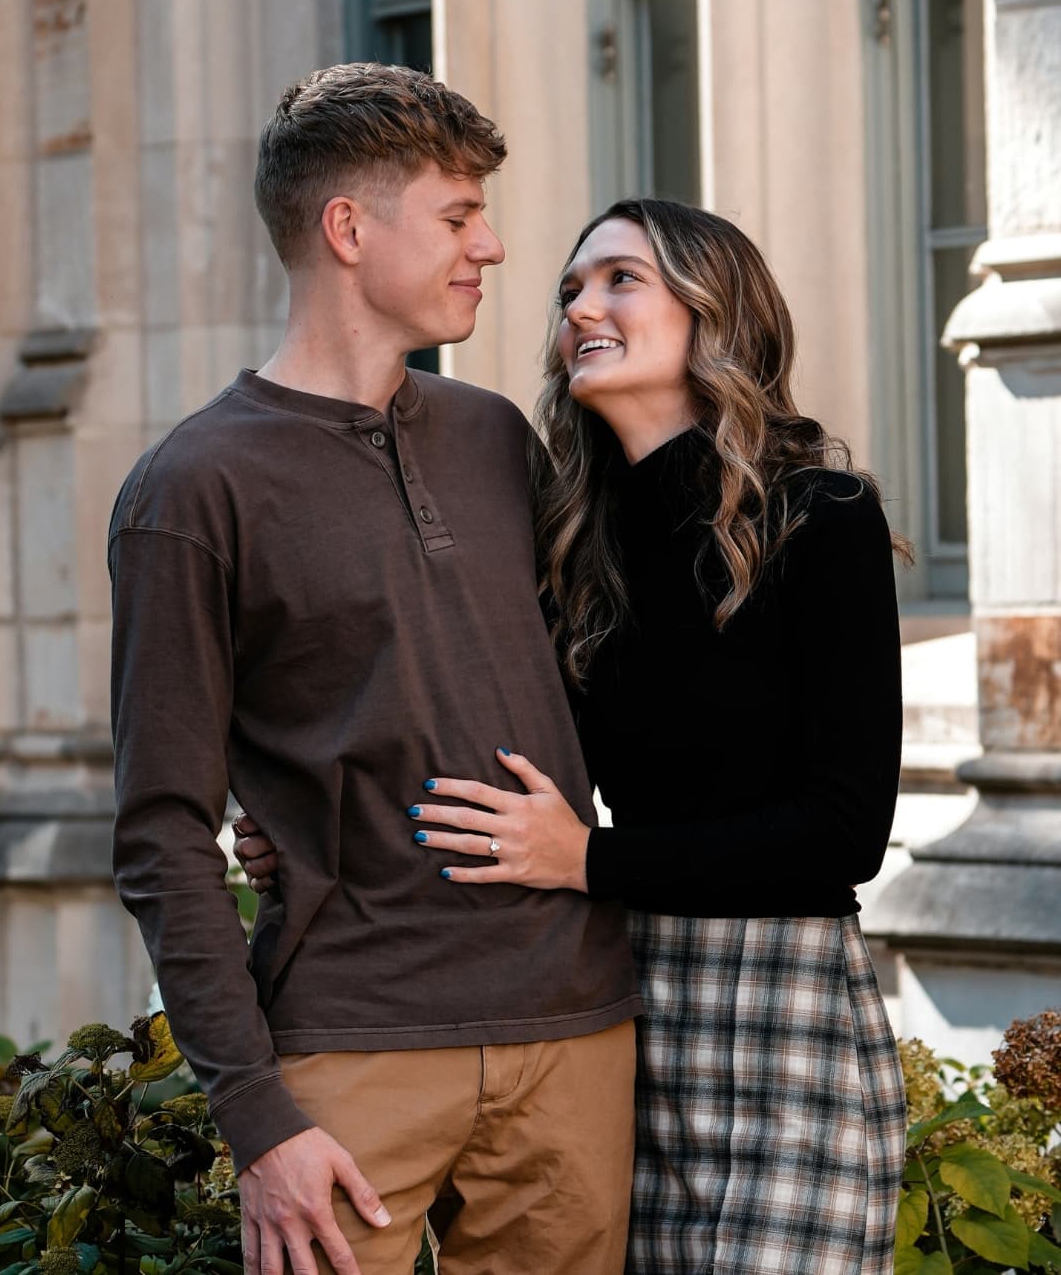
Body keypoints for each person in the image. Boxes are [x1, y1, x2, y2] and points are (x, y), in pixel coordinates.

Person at [241, 198, 908, 1273]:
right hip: (605, 1007)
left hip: (778, 1008)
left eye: (620, 280)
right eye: (568, 292)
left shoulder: (821, 518)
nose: (580, 309)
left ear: (712, 308)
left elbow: (843, 835)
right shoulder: (564, 545)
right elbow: (460, 731)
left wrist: (586, 856)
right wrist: (299, 816)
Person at [108, 63, 641, 1275]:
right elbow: (159, 832)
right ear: (349, 228)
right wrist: (259, 1122)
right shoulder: (195, 490)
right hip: (351, 1049)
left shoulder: (499, 436)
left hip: (574, 1028)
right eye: (458, 216)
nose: (493, 247)